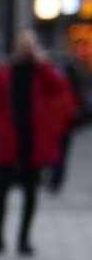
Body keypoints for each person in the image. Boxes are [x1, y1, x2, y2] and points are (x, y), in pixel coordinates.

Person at [0, 30, 75, 257]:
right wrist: (1, 128)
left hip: (33, 141)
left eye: (30, 46)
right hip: (8, 142)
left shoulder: (42, 72)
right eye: (23, 45)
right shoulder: (5, 73)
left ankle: (24, 240)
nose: (26, 50)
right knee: (1, 193)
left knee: (30, 193)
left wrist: (43, 64)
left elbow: (59, 88)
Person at [49, 58, 84, 193]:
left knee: (58, 154)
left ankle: (56, 178)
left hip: (61, 126)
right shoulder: (69, 86)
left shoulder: (66, 87)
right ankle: (56, 178)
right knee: (60, 154)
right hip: (61, 126)